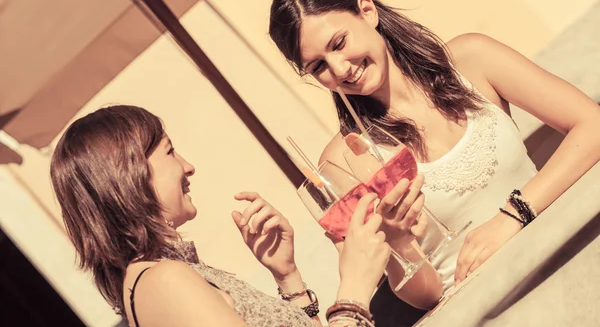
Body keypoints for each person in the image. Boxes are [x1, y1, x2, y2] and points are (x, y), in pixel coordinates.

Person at [268, 0, 600, 301]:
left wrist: (514, 213)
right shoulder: (344, 159)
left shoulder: (472, 59)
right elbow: (426, 297)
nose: (340, 70)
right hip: (486, 305)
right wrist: (398, 244)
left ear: (366, 11)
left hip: (569, 260)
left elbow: (592, 124)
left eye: (339, 43)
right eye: (318, 67)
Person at [50, 105, 391, 327]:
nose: (188, 166)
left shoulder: (167, 275)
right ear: (131, 175)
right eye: (170, 152)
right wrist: (354, 289)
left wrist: (288, 278)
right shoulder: (162, 282)